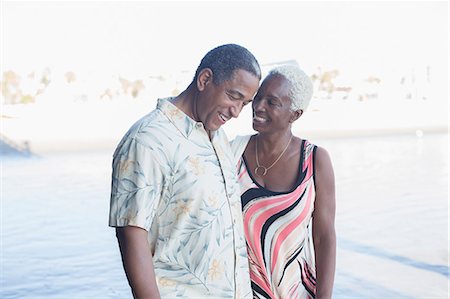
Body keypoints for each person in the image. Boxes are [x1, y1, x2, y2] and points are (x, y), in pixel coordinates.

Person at [109, 44, 261, 299]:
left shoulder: (219, 139)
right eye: (233, 96)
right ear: (205, 80)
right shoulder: (148, 140)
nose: (237, 112)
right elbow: (132, 235)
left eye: (244, 103)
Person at [231, 64, 336, 299]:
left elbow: (324, 237)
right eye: (258, 98)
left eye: (272, 102)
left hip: (296, 292)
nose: (258, 107)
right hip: (239, 291)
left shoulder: (314, 160)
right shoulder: (233, 153)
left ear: (295, 114)